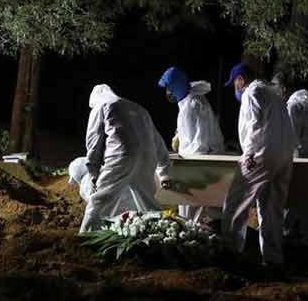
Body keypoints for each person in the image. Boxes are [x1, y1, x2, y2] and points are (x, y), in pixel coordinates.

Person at [221, 63, 296, 266]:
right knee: (271, 210)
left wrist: (249, 153)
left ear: (241, 80)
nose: (235, 88)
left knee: (235, 203)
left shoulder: (251, 92)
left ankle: (230, 254)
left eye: (235, 83)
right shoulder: (273, 93)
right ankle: (273, 260)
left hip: (261, 154)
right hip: (284, 156)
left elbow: (253, 124)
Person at [79, 84, 171, 234]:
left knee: (99, 200)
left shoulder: (101, 105)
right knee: (146, 200)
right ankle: (164, 233)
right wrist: (164, 171)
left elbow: (93, 142)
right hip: (148, 157)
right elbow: (158, 141)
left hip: (121, 155)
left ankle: (85, 237)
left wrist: (93, 172)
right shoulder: (140, 109)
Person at [158, 66, 225, 220]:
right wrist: (179, 135)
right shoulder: (191, 100)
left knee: (190, 211)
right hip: (202, 161)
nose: (168, 92)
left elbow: (198, 143)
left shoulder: (192, 105)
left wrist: (187, 167)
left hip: (198, 164)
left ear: (177, 86)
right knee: (198, 210)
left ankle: (193, 240)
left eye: (169, 87)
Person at [272, 72, 308, 245]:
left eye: (275, 89)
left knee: (293, 198)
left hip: (300, 158)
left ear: (283, 89)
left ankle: (285, 235)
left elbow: (291, 138)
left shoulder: (293, 106)